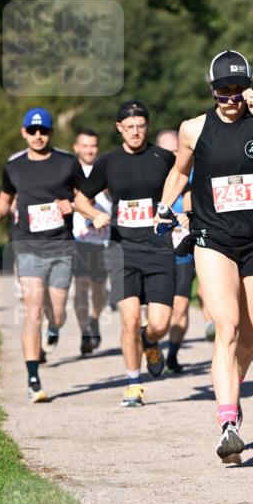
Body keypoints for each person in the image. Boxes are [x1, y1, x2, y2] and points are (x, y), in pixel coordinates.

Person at [158, 49, 253, 462]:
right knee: (228, 328)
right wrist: (163, 209)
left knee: (249, 339)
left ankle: (230, 393)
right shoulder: (194, 129)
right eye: (224, 91)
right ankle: (228, 424)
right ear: (212, 89)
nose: (232, 99)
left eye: (239, 90)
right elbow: (181, 172)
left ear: (250, 88)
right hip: (212, 237)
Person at [73, 101, 176, 407]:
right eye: (129, 127)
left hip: (159, 247)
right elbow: (80, 199)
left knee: (160, 323)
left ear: (147, 126)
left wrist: (185, 213)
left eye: (140, 126)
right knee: (129, 320)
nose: (135, 132)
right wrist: (94, 214)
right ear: (119, 128)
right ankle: (133, 383)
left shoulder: (163, 157)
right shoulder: (108, 162)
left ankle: (151, 339)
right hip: (122, 248)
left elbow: (187, 188)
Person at [0, 108, 83, 401]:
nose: (38, 136)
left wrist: (73, 205)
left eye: (43, 131)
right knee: (32, 310)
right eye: (32, 131)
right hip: (27, 245)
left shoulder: (67, 161)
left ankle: (54, 329)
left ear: (51, 133)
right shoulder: (13, 165)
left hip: (62, 244)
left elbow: (82, 194)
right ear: (23, 132)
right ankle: (33, 379)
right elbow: (5, 199)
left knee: (57, 311)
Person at [156, 129, 197, 374]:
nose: (172, 155)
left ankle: (172, 355)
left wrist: (189, 216)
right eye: (167, 151)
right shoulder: (152, 176)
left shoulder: (191, 172)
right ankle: (151, 341)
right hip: (156, 249)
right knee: (159, 306)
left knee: (180, 305)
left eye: (176, 150)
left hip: (183, 248)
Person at [72, 129, 111, 356]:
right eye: (85, 146)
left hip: (103, 237)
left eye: (93, 146)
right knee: (81, 286)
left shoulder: (105, 168)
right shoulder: (71, 171)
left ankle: (94, 319)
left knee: (99, 287)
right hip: (80, 237)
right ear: (76, 147)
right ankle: (85, 331)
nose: (89, 150)